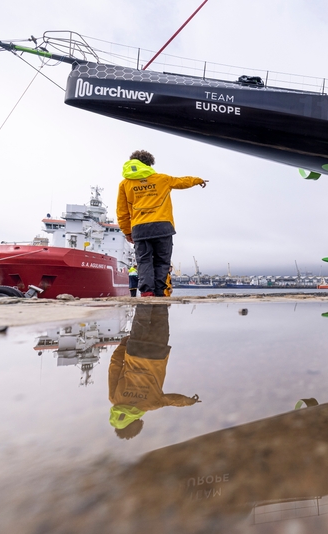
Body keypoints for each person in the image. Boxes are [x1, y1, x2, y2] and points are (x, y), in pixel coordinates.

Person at [117, 150, 208, 297]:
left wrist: (127, 232)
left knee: (144, 261)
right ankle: (160, 292)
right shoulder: (162, 179)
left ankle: (147, 292)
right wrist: (197, 180)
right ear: (149, 164)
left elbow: (122, 211)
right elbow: (181, 182)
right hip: (162, 227)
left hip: (140, 228)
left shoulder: (125, 184)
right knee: (162, 261)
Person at [108, 304, 200, 439]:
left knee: (160, 314)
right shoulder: (114, 399)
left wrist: (188, 401)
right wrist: (122, 346)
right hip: (135, 349)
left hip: (157, 351)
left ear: (134, 423)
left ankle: (159, 294)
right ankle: (147, 294)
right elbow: (115, 367)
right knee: (142, 314)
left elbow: (172, 400)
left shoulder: (151, 404)